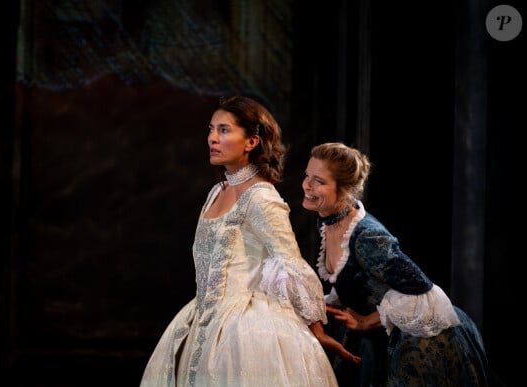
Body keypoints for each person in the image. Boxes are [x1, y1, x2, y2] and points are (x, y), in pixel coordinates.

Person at [139, 97, 359, 387]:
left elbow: (289, 263)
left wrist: (315, 328)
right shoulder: (217, 191)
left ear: (252, 141)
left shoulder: (261, 197)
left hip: (242, 331)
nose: (213, 138)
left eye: (224, 130)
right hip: (201, 319)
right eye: (211, 129)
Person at [301, 142, 489, 387]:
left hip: (417, 339)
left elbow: (422, 290)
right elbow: (355, 280)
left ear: (345, 189)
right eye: (307, 175)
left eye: (319, 181)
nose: (307, 185)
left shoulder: (367, 236)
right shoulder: (328, 222)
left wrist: (367, 320)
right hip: (377, 337)